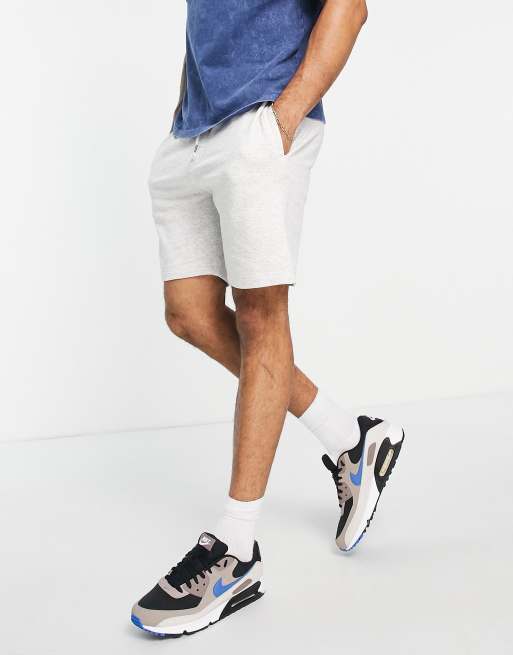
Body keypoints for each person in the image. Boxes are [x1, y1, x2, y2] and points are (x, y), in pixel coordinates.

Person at [131, 0, 404, 637]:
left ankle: (235, 549)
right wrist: (184, 110)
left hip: (262, 121)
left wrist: (283, 119)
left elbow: (349, 7)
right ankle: (351, 436)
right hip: (193, 132)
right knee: (190, 314)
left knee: (261, 318)